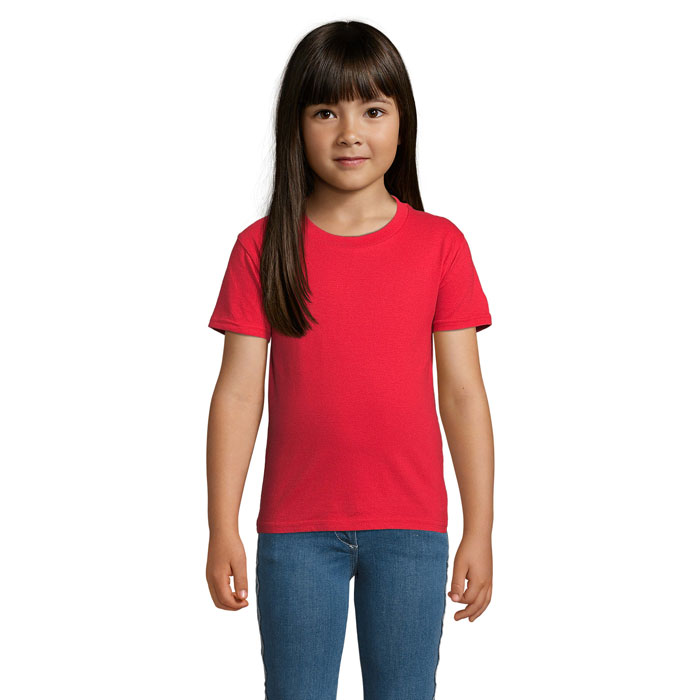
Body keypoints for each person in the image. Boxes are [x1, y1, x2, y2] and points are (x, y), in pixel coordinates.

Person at [205, 19, 495, 700]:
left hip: (411, 529)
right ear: (296, 126)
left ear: (402, 121)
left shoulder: (440, 245)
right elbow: (238, 395)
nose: (349, 133)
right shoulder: (261, 248)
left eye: (372, 110)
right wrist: (221, 526)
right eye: (325, 112)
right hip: (295, 533)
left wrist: (479, 528)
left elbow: (462, 395)